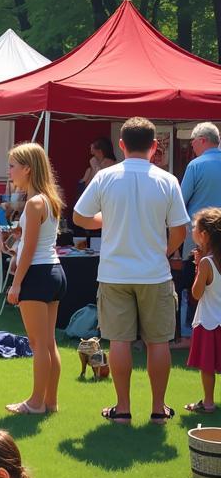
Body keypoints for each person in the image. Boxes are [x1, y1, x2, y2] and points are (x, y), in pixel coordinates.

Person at [73, 116, 189, 424]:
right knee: (158, 341)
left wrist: (105, 220)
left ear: (122, 145)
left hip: (114, 273)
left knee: (120, 341)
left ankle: (122, 408)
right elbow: (179, 229)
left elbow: (80, 217)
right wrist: (165, 250)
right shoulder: (167, 180)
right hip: (154, 272)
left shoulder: (105, 177)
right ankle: (158, 409)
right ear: (154, 146)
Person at [4, 143, 66, 415]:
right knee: (48, 342)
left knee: (39, 344)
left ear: (27, 169)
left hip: (38, 273)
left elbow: (29, 250)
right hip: (53, 271)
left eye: (13, 166)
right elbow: (31, 243)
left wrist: (16, 283)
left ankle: (36, 402)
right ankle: (49, 402)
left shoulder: (34, 202)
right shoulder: (48, 199)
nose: (10, 172)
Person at [180, 122, 221, 337]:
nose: (192, 146)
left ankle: (189, 331)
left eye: (193, 142)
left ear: (203, 140)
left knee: (189, 284)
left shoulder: (195, 165)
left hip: (199, 237)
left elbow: (180, 201)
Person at [185, 208, 221, 412]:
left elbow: (196, 294)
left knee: (208, 366)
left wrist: (198, 266)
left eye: (194, 228)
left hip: (209, 321)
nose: (192, 232)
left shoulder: (207, 262)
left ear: (204, 235)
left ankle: (208, 402)